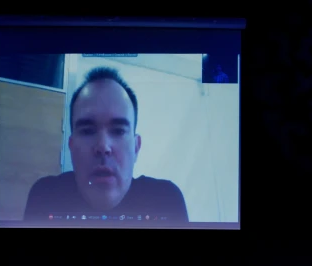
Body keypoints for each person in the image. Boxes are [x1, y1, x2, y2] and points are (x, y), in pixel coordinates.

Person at [23, 67, 189, 224]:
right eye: (88, 131)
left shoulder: (166, 201)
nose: (103, 146)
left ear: (136, 147)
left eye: (118, 131)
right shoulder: (44, 197)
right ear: (72, 147)